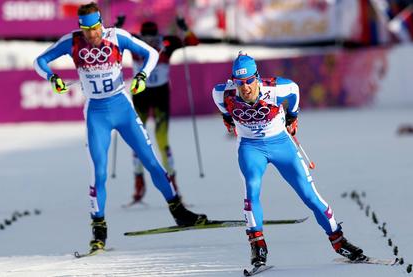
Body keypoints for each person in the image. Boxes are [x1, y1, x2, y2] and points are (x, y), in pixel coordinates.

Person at [34, 2, 207, 253]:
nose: (91, 35)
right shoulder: (72, 41)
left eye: (94, 29)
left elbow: (152, 54)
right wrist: (52, 78)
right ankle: (99, 230)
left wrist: (141, 77)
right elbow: (39, 60)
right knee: (100, 173)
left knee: (150, 161)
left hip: (123, 109)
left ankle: (179, 211)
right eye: (85, 30)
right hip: (97, 114)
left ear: (100, 24)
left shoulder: (117, 36)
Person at [212, 52, 365, 267]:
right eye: (239, 83)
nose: (245, 88)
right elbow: (220, 103)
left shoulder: (276, 88)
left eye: (248, 81)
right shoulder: (223, 92)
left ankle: (339, 241)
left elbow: (294, 91)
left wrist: (293, 116)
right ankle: (258, 247)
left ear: (256, 77)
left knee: (310, 196)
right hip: (250, 148)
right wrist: (226, 117)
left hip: (281, 145)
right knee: (251, 191)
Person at [129, 19, 199, 203]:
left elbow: (193, 42)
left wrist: (185, 28)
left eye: (152, 37)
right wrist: (117, 26)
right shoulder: (134, 41)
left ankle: (173, 183)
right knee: (137, 140)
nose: (149, 41)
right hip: (141, 95)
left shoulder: (167, 43)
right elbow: (111, 40)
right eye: (146, 37)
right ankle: (138, 181)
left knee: (162, 141)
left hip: (160, 95)